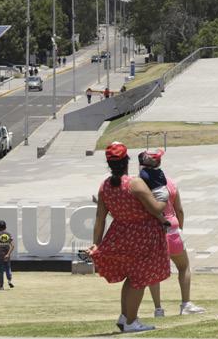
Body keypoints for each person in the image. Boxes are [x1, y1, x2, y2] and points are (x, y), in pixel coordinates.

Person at [87, 142, 171, 334]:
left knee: (131, 278)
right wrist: (164, 196)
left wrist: (96, 243)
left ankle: (125, 317)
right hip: (143, 237)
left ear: (109, 164)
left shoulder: (105, 186)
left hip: (121, 235)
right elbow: (156, 208)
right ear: (126, 161)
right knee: (139, 279)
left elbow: (100, 219)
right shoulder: (135, 183)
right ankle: (131, 322)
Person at [139, 149, 205, 317]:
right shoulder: (169, 183)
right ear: (159, 163)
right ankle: (185, 304)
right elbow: (179, 210)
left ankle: (158, 309)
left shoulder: (139, 184)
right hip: (172, 231)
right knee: (183, 267)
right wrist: (180, 227)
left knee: (154, 273)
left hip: (151, 233)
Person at [0, 220, 14, 290]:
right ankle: (9, 280)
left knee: (0, 270)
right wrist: (8, 254)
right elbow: (12, 246)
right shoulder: (9, 234)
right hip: (6, 255)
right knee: (8, 268)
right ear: (5, 227)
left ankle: (1, 286)